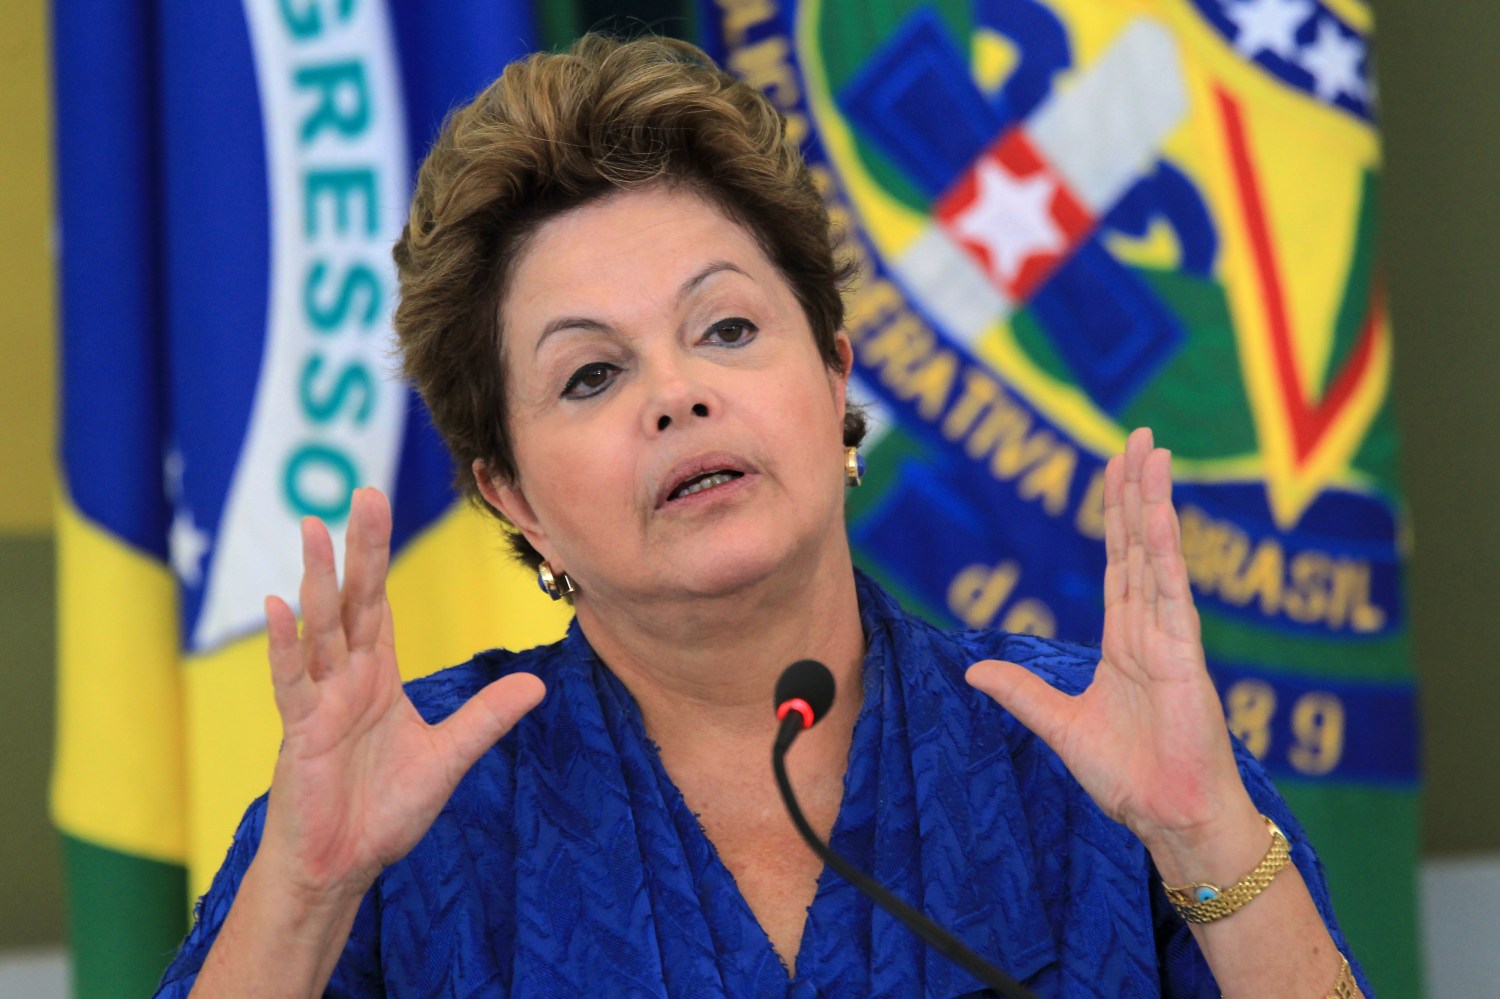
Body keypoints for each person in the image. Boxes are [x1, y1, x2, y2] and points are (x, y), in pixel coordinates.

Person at [156, 33, 1368, 998]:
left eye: (727, 327)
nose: (678, 393)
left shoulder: (1086, 753)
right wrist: (306, 894)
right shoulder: (409, 811)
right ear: (513, 497)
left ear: (834, 380)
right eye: (592, 374)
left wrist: (1206, 834)